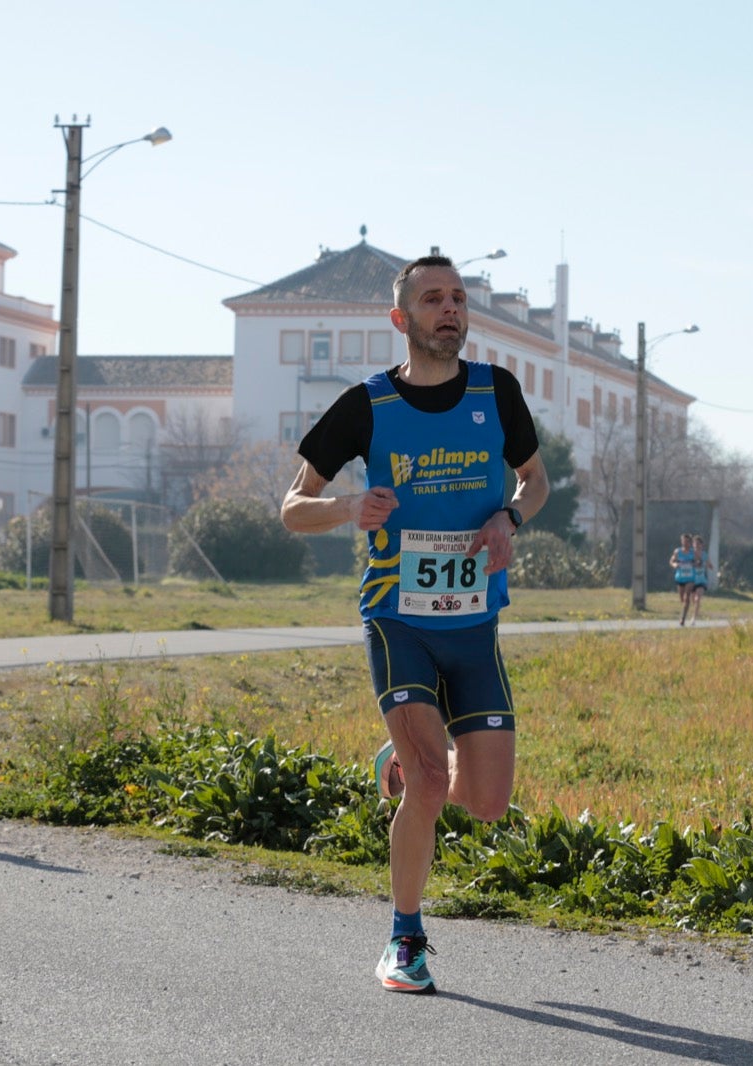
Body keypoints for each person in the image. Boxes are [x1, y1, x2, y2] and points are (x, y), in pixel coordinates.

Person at [281, 255, 548, 995]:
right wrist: (346, 508)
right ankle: (405, 939)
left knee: (489, 803)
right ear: (402, 319)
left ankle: (395, 768)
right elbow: (292, 505)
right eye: (433, 298)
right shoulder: (367, 406)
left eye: (459, 297)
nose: (450, 308)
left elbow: (536, 479)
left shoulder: (498, 392)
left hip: (474, 626)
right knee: (433, 781)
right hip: (397, 618)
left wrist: (509, 515)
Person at [670, 532, 696, 625]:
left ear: (690, 542)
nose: (685, 543)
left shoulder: (693, 552)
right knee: (682, 598)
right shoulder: (678, 551)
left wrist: (695, 563)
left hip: (690, 577)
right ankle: (685, 609)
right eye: (683, 541)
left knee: (687, 596)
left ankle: (683, 619)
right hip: (680, 577)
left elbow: (699, 561)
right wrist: (674, 564)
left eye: (687, 541)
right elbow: (672, 560)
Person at [688, 534, 709, 623]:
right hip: (692, 579)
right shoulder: (689, 553)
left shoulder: (704, 554)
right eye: (695, 544)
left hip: (701, 580)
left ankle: (694, 618)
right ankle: (696, 612)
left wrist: (702, 563)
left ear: (701, 545)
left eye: (698, 544)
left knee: (698, 598)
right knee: (693, 600)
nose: (697, 545)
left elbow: (708, 564)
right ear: (693, 544)